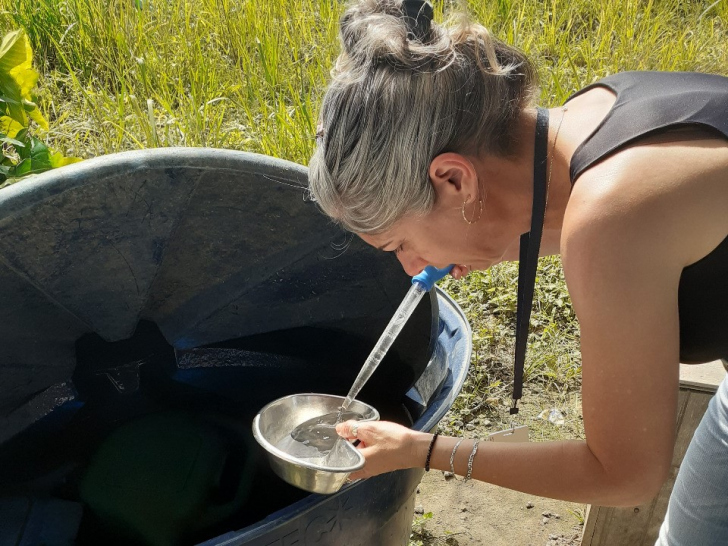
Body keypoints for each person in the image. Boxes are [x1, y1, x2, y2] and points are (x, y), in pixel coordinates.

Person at [307, 1, 728, 544]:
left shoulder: (612, 218)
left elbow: (624, 475)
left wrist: (423, 450)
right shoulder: (593, 118)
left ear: (454, 180)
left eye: (401, 244)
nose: (414, 269)